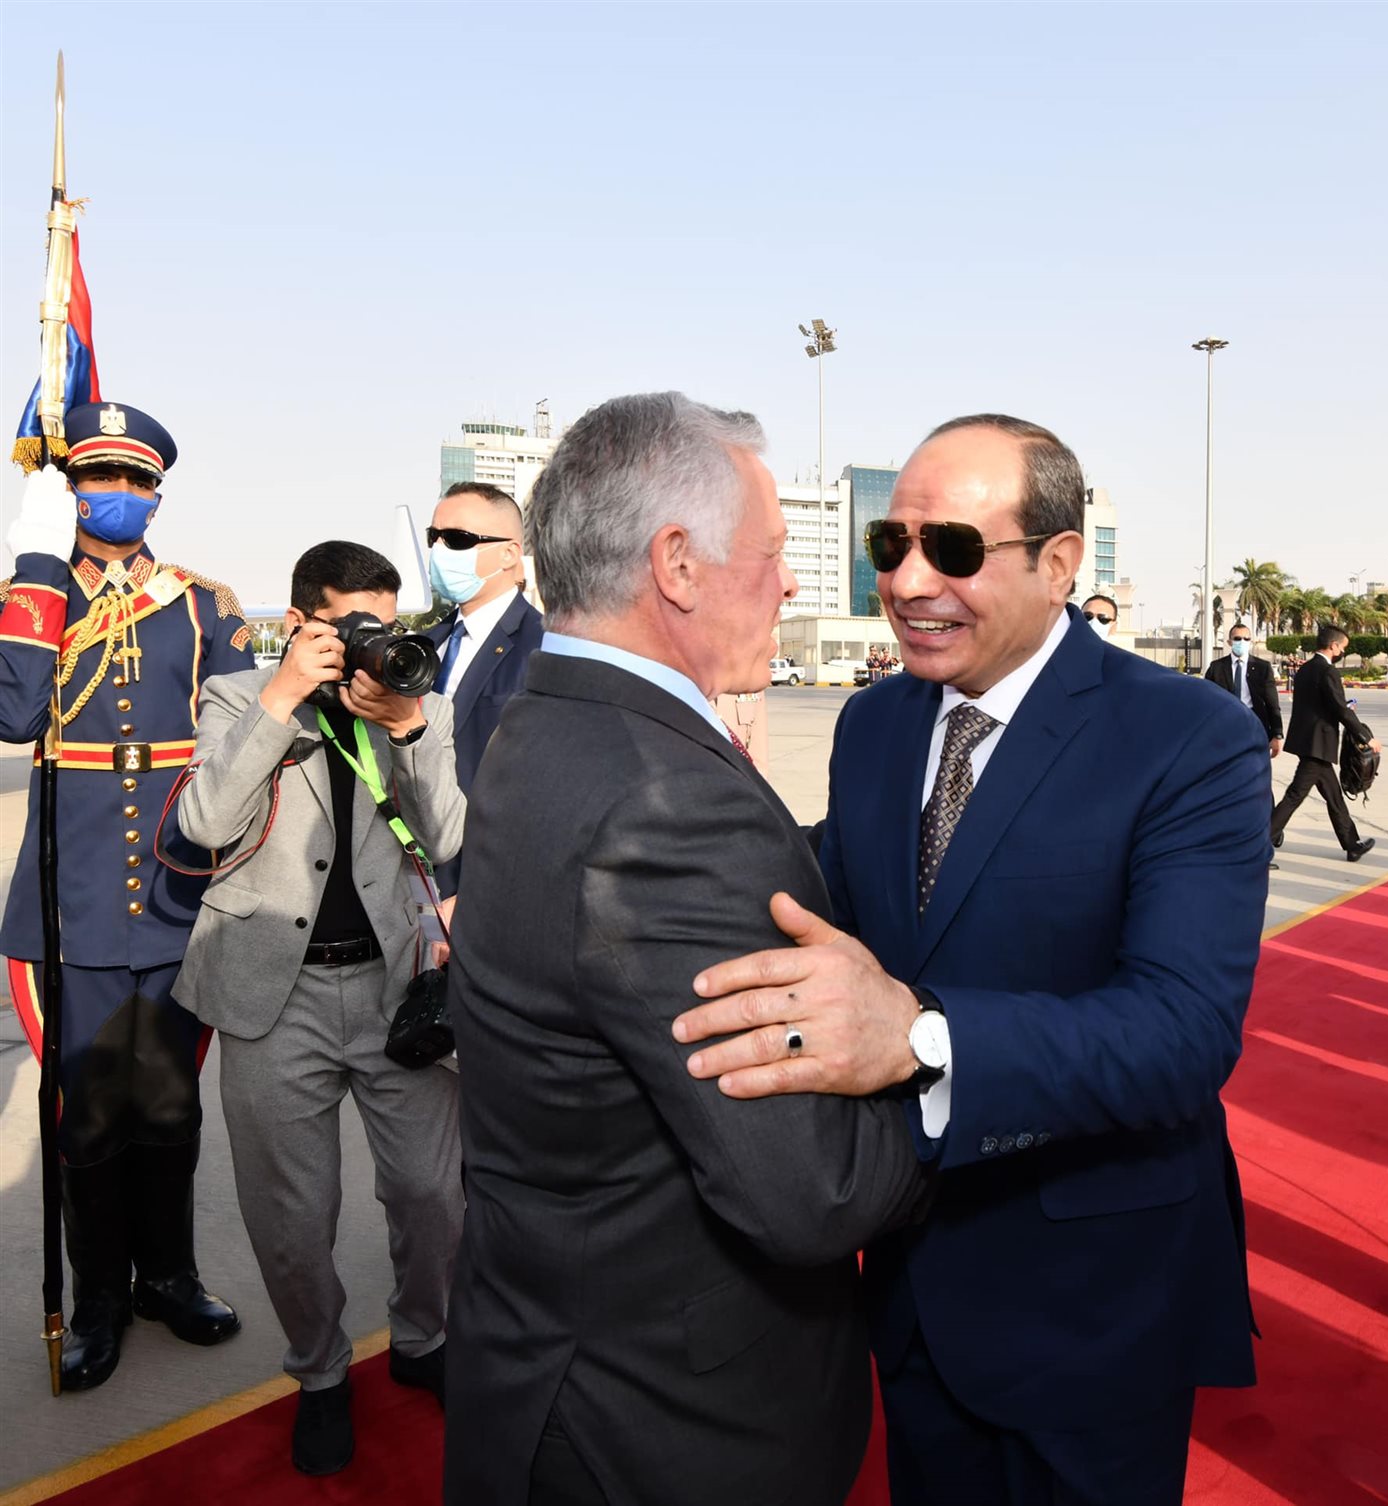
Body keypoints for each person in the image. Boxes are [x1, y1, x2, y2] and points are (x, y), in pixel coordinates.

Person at [676, 413, 1267, 1506]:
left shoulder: (1186, 737)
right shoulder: (876, 725)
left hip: (1095, 1304)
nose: (908, 582)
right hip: (911, 1287)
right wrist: (587, 882)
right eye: (888, 545)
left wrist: (917, 1037)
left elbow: (1182, 1036)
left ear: (1059, 563)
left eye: (951, 549)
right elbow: (818, 893)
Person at [443, 393, 930, 1506]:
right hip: (662, 1423)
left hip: (551, 1358)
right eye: (772, 552)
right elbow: (807, 1190)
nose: (791, 583)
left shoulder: (547, 718)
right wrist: (937, 1056)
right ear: (677, 564)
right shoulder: (664, 802)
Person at [172, 541, 467, 1475]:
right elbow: (203, 823)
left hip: (397, 986)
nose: (371, 642)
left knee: (432, 1194)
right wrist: (283, 697)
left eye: (384, 622)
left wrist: (408, 728)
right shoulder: (239, 697)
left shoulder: (419, 703)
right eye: (350, 626)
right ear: (301, 623)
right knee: (291, 1215)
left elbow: (448, 835)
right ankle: (321, 1372)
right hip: (272, 989)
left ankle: (425, 1336)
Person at [0, 402, 251, 1391]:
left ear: (157, 494)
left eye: (134, 480)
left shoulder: (202, 603)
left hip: (180, 896)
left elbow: (244, 739)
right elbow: (16, 712)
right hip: (75, 906)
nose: (114, 494)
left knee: (171, 1106)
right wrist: (33, 568)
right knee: (92, 1115)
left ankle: (169, 1279)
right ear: (69, 490)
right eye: (94, 477)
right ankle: (100, 1296)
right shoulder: (36, 595)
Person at [422, 483, 544, 899]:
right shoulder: (425, 646)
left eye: (457, 539)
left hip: (487, 885)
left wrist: (480, 896)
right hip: (411, 884)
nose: (440, 551)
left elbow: (542, 796)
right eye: (434, 537)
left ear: (509, 554)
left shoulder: (544, 648)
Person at [1269, 624, 1381, 859]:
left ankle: (1352, 845)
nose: (1342, 652)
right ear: (1333, 645)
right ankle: (1258, 842)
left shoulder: (1305, 670)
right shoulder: (1328, 672)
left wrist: (1342, 708)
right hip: (1318, 744)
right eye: (1342, 647)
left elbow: (1319, 704)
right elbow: (1339, 709)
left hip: (1308, 741)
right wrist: (1366, 737)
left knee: (1334, 796)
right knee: (1295, 795)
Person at [1206, 623, 1284, 869]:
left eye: (1245, 638)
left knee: (1259, 784)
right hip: (1226, 734)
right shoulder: (1216, 668)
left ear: (1252, 641)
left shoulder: (1262, 668)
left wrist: (1277, 734)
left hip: (1255, 731)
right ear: (1229, 641)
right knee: (1225, 784)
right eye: (1237, 638)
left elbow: (1272, 703)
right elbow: (1206, 702)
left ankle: (1268, 833)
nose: (1241, 642)